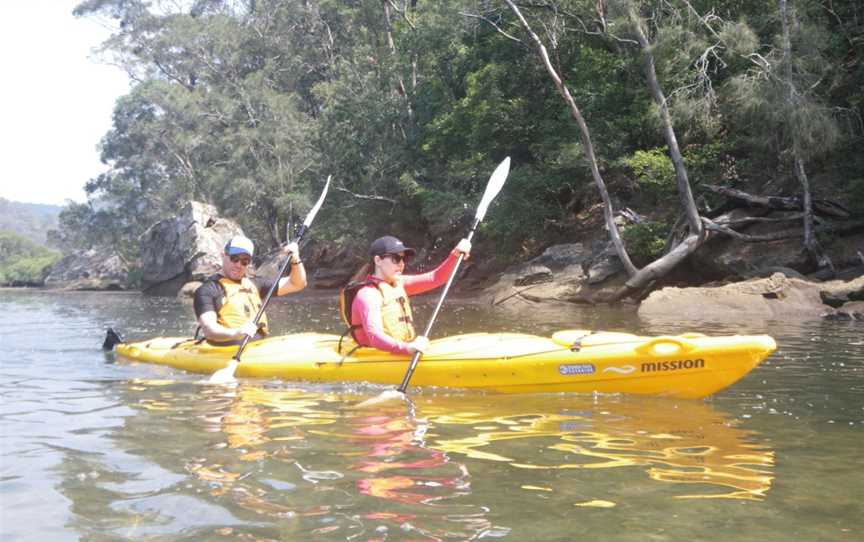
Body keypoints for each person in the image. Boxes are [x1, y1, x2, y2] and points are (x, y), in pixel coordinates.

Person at [340, 235, 471, 355]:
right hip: (375, 355)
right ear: (378, 260)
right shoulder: (368, 294)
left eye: (404, 258)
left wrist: (455, 255)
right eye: (396, 258)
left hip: (400, 347)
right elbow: (375, 336)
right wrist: (407, 349)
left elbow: (436, 278)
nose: (401, 264)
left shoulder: (398, 283)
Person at [194, 235, 306, 345]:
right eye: (234, 258)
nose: (238, 265)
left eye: (244, 261)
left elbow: (297, 284)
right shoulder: (207, 290)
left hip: (257, 347)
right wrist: (236, 333)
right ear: (223, 255)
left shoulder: (256, 284)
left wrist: (295, 259)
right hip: (227, 350)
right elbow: (209, 330)